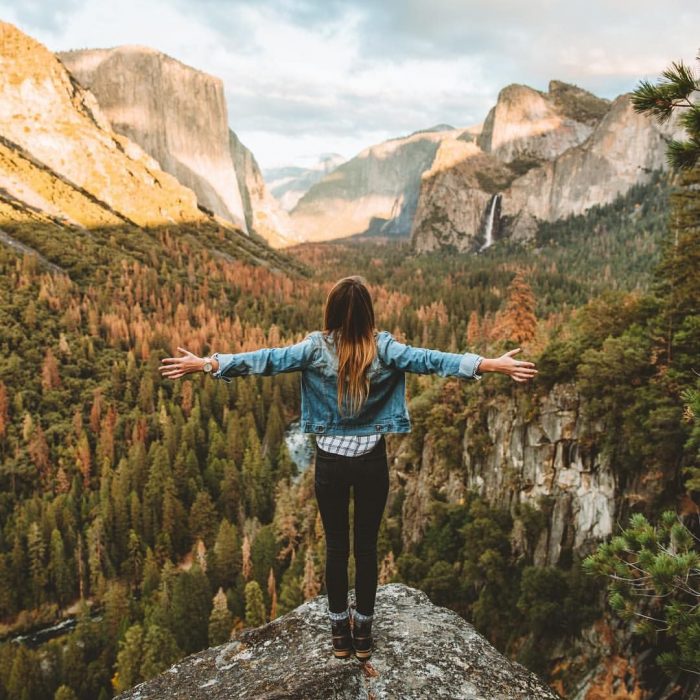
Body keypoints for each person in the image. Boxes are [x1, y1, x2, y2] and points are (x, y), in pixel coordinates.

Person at [159, 275, 537, 661]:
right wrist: (488, 364)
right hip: (371, 462)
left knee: (337, 548)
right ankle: (364, 635)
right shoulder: (385, 347)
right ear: (368, 314)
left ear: (332, 312)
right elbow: (431, 360)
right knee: (367, 548)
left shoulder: (314, 348)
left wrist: (208, 364)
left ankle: (340, 634)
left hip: (331, 465)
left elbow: (265, 360)